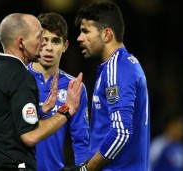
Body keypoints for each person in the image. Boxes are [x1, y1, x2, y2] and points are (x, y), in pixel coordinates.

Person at [0, 13, 83, 171]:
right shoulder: (21, 77)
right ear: (21, 42)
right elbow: (30, 136)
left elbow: (3, 120)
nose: (43, 43)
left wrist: (40, 110)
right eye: (39, 37)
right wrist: (66, 110)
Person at [62, 2, 150, 171]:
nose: (79, 38)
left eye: (86, 31)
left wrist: (86, 169)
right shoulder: (122, 65)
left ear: (107, 34)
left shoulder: (117, 68)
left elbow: (121, 133)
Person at [26, 12, 90, 171]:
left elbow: (81, 140)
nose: (49, 48)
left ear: (65, 46)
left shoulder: (74, 88)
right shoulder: (17, 80)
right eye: (44, 40)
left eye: (56, 41)